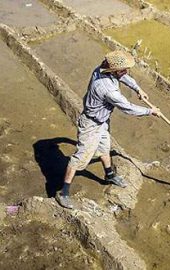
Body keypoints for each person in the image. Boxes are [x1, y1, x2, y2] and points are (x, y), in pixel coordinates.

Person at [56, 50, 160, 209]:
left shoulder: (102, 68)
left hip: (102, 121)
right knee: (79, 159)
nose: (125, 72)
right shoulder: (107, 89)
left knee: (105, 148)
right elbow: (127, 108)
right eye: (123, 69)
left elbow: (124, 77)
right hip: (91, 124)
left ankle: (109, 175)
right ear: (114, 70)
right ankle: (63, 193)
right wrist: (150, 111)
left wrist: (138, 89)